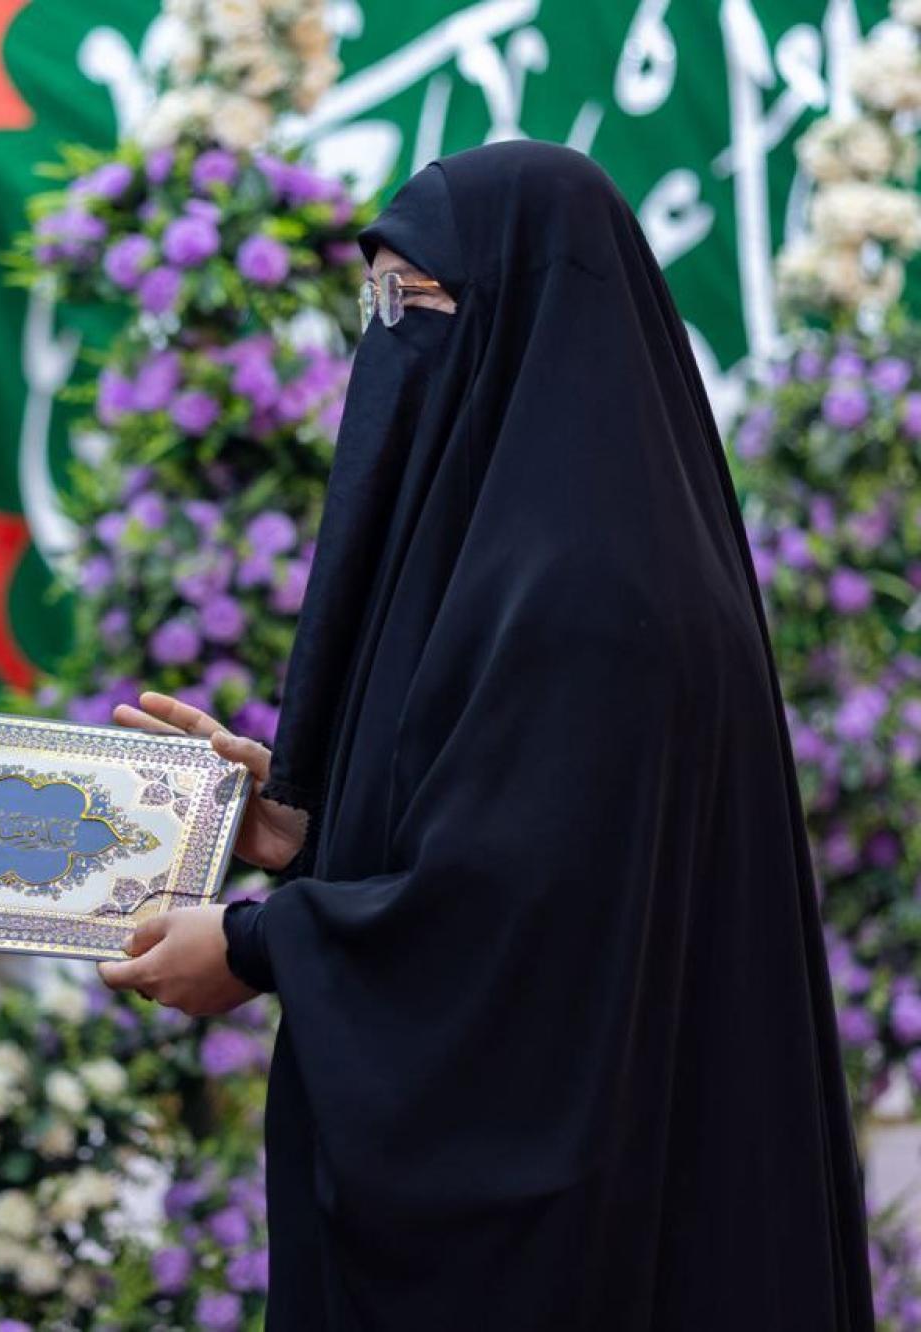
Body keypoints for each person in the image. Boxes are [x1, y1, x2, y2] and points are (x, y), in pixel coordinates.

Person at [99, 142, 874, 1329]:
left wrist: (259, 945)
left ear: (528, 316)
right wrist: (309, 832)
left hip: (579, 1248)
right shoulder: (548, 559)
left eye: (411, 304)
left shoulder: (585, 597)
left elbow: (518, 922)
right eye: (373, 306)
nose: (385, 342)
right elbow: (512, 822)